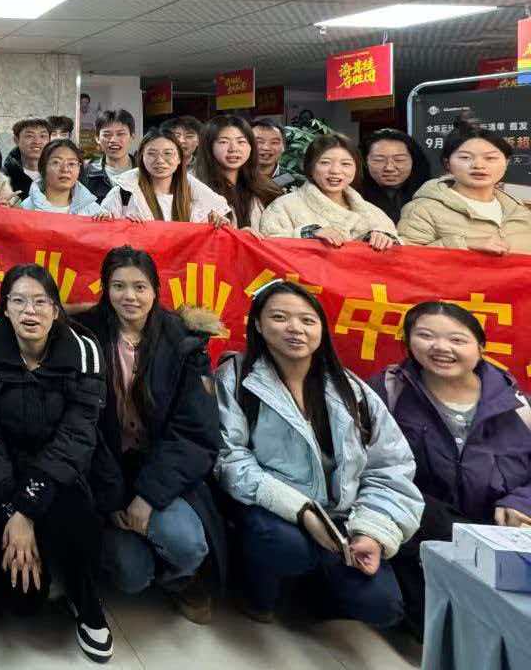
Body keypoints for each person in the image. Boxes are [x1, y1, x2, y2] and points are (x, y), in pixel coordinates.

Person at [215, 280, 422, 627]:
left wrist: (371, 530)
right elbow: (230, 459)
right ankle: (258, 589)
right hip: (274, 508)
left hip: (343, 516)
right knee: (286, 547)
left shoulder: (350, 388)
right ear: (258, 325)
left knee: (384, 607)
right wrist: (304, 512)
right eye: (279, 317)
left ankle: (315, 592)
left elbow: (391, 467)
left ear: (322, 329)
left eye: (307, 320)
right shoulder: (237, 377)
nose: (295, 328)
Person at [0, 264, 114, 662]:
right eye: (18, 301)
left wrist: (27, 511)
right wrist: (10, 508)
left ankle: (87, 602)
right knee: (21, 601)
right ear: (5, 308)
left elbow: (77, 436)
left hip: (61, 469)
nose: (29, 311)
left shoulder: (84, 349)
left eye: (39, 302)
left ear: (56, 309)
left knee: (79, 520)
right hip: (4, 471)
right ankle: (46, 572)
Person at [79, 248, 225, 623]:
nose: (129, 296)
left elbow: (196, 432)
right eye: (118, 286)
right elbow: (82, 426)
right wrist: (112, 498)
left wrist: (148, 497)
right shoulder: (84, 336)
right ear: (105, 289)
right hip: (105, 470)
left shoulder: (184, 342)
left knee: (187, 544)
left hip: (161, 470)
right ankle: (137, 558)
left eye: (140, 287)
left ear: (156, 290)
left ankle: (180, 580)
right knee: (131, 574)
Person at [372, 301, 531, 636]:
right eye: (426, 336)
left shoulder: (518, 405)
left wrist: (521, 502)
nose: (441, 347)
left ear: (480, 347)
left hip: (499, 535)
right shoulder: (386, 392)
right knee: (434, 629)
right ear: (408, 341)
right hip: (418, 534)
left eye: (457, 340)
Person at [398, 128, 531, 254]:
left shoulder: (520, 210)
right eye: (465, 157)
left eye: (490, 158)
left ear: (506, 163)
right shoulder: (422, 209)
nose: (478, 165)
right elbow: (407, 258)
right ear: (447, 164)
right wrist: (464, 244)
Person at [259, 134, 398, 249]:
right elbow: (267, 247)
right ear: (310, 167)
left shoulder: (374, 213)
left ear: (356, 169)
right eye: (325, 162)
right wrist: (308, 233)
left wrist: (384, 240)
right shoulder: (283, 207)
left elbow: (399, 255)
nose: (335, 171)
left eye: (346, 164)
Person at [97, 130, 231, 225]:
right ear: (141, 157)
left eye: (168, 153)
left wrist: (217, 224)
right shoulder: (123, 193)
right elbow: (103, 232)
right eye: (152, 154)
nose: (160, 160)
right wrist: (112, 221)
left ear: (179, 159)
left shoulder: (199, 198)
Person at [193, 115, 282, 230]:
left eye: (241, 141)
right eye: (224, 142)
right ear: (209, 147)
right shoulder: (194, 187)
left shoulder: (267, 189)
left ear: (251, 147)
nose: (233, 148)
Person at [360, 129, 431, 226]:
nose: (389, 168)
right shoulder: (352, 196)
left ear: (414, 160)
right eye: (379, 160)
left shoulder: (430, 194)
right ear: (365, 162)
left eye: (399, 160)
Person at [22, 138, 101, 215]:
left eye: (71, 163)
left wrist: (104, 220)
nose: (65, 169)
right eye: (56, 162)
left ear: (79, 169)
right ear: (43, 167)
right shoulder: (25, 209)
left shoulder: (93, 211)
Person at [81, 110, 137, 201]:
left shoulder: (145, 171)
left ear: (132, 137)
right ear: (97, 138)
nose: (113, 140)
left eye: (120, 134)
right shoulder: (87, 172)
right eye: (107, 135)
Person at [2, 117, 52, 198]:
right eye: (30, 136)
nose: (37, 141)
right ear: (16, 140)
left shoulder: (61, 173)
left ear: (49, 140)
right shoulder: (3, 177)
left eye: (42, 136)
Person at [252, 118, 302, 189]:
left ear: (283, 147)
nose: (266, 148)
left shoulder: (297, 181)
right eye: (259, 142)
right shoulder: (237, 177)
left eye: (274, 142)